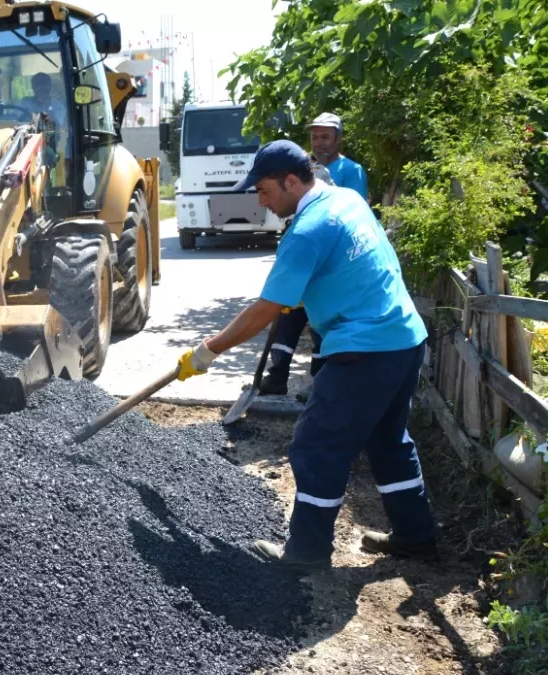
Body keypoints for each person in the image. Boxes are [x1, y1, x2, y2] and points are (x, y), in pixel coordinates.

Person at [176, 140, 436, 568]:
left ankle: (307, 553)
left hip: (363, 349)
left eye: (264, 191)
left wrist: (207, 351)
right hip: (405, 337)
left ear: (291, 181)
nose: (261, 201)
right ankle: (416, 536)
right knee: (389, 439)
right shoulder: (346, 200)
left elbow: (264, 311)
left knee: (316, 446)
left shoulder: (306, 231)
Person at [261, 113, 369, 396]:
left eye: (325, 137)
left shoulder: (351, 171)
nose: (319, 142)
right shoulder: (305, 168)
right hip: (303, 255)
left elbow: (346, 217)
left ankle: (321, 383)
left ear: (338, 139)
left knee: (323, 323)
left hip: (330, 262)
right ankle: (277, 375)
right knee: (287, 317)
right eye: (315, 136)